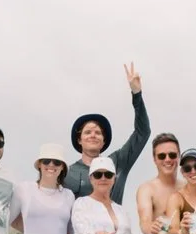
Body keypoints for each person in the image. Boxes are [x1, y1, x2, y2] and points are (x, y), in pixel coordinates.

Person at [62, 65, 149, 198]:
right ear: (79, 139)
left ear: (104, 141)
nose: (93, 135)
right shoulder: (67, 173)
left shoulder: (118, 162)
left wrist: (137, 95)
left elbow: (142, 133)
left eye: (98, 133)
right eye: (87, 132)